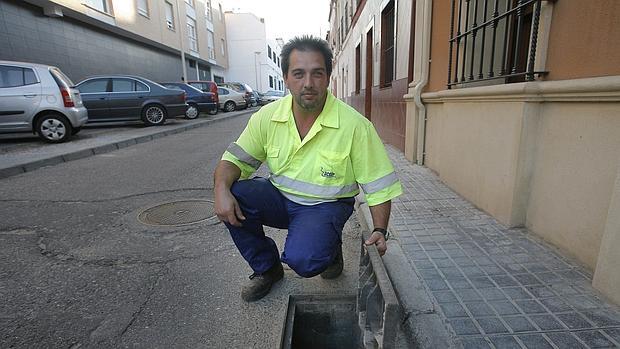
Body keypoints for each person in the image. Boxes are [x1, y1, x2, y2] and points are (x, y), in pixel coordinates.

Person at [213, 35, 402, 302]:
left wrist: (380, 231)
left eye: (317, 73)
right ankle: (267, 269)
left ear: (327, 77)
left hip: (326, 205)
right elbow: (233, 160)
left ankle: (328, 244)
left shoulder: (355, 126)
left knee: (305, 261)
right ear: (286, 78)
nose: (308, 84)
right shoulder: (267, 117)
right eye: (299, 74)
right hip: (279, 197)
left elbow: (379, 186)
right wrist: (221, 189)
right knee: (233, 194)